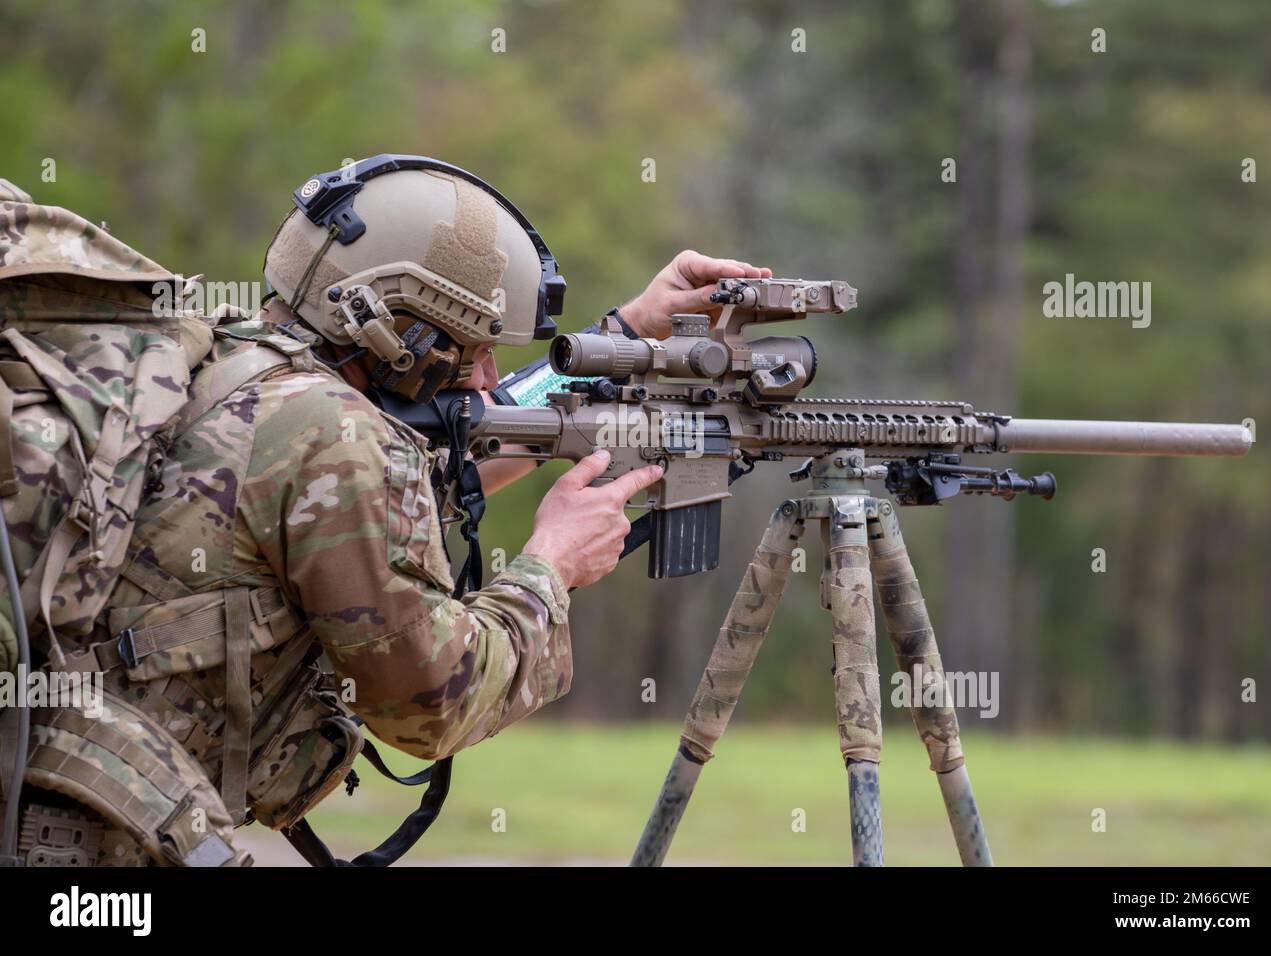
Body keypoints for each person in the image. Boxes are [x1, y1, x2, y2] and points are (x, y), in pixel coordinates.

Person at [13, 154, 770, 865]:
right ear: (395, 332)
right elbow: (432, 703)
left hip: (56, 797)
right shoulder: (338, 436)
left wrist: (628, 332)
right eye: (472, 346)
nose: (486, 374)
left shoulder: (236, 370)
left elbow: (465, 439)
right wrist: (550, 566)